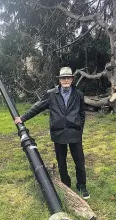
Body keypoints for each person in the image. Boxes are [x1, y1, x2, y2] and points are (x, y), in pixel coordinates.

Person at [15, 67, 90, 199]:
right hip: (58, 133)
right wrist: (22, 118)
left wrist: (79, 128)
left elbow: (82, 113)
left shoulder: (78, 94)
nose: (66, 80)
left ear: (72, 79)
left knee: (79, 161)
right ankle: (66, 184)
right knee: (61, 162)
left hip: (74, 133)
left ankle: (81, 186)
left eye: (68, 78)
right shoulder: (51, 94)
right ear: (60, 80)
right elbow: (37, 107)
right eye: (63, 78)